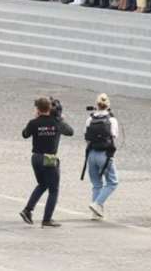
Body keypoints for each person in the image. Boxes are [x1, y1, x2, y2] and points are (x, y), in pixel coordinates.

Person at [20, 97, 74, 228]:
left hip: (36, 157)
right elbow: (70, 132)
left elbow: (25, 134)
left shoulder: (33, 123)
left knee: (42, 184)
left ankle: (28, 210)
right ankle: (47, 219)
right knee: (53, 190)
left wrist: (36, 119)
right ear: (50, 108)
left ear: (37, 109)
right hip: (49, 157)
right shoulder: (56, 122)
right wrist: (61, 119)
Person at [84, 94, 119, 220]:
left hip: (91, 154)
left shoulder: (90, 119)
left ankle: (95, 214)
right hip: (105, 155)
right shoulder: (112, 120)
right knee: (112, 182)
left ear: (96, 104)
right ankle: (97, 203)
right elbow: (114, 136)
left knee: (96, 184)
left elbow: (86, 138)